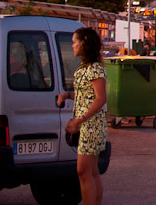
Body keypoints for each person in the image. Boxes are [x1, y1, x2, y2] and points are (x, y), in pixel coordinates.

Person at [57, 27, 107, 205]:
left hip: (91, 125)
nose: (72, 46)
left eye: (74, 42)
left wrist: (81, 119)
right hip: (87, 124)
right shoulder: (86, 67)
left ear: (84, 43)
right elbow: (85, 95)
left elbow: (100, 98)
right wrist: (66, 95)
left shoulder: (94, 68)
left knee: (83, 171)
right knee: (91, 171)